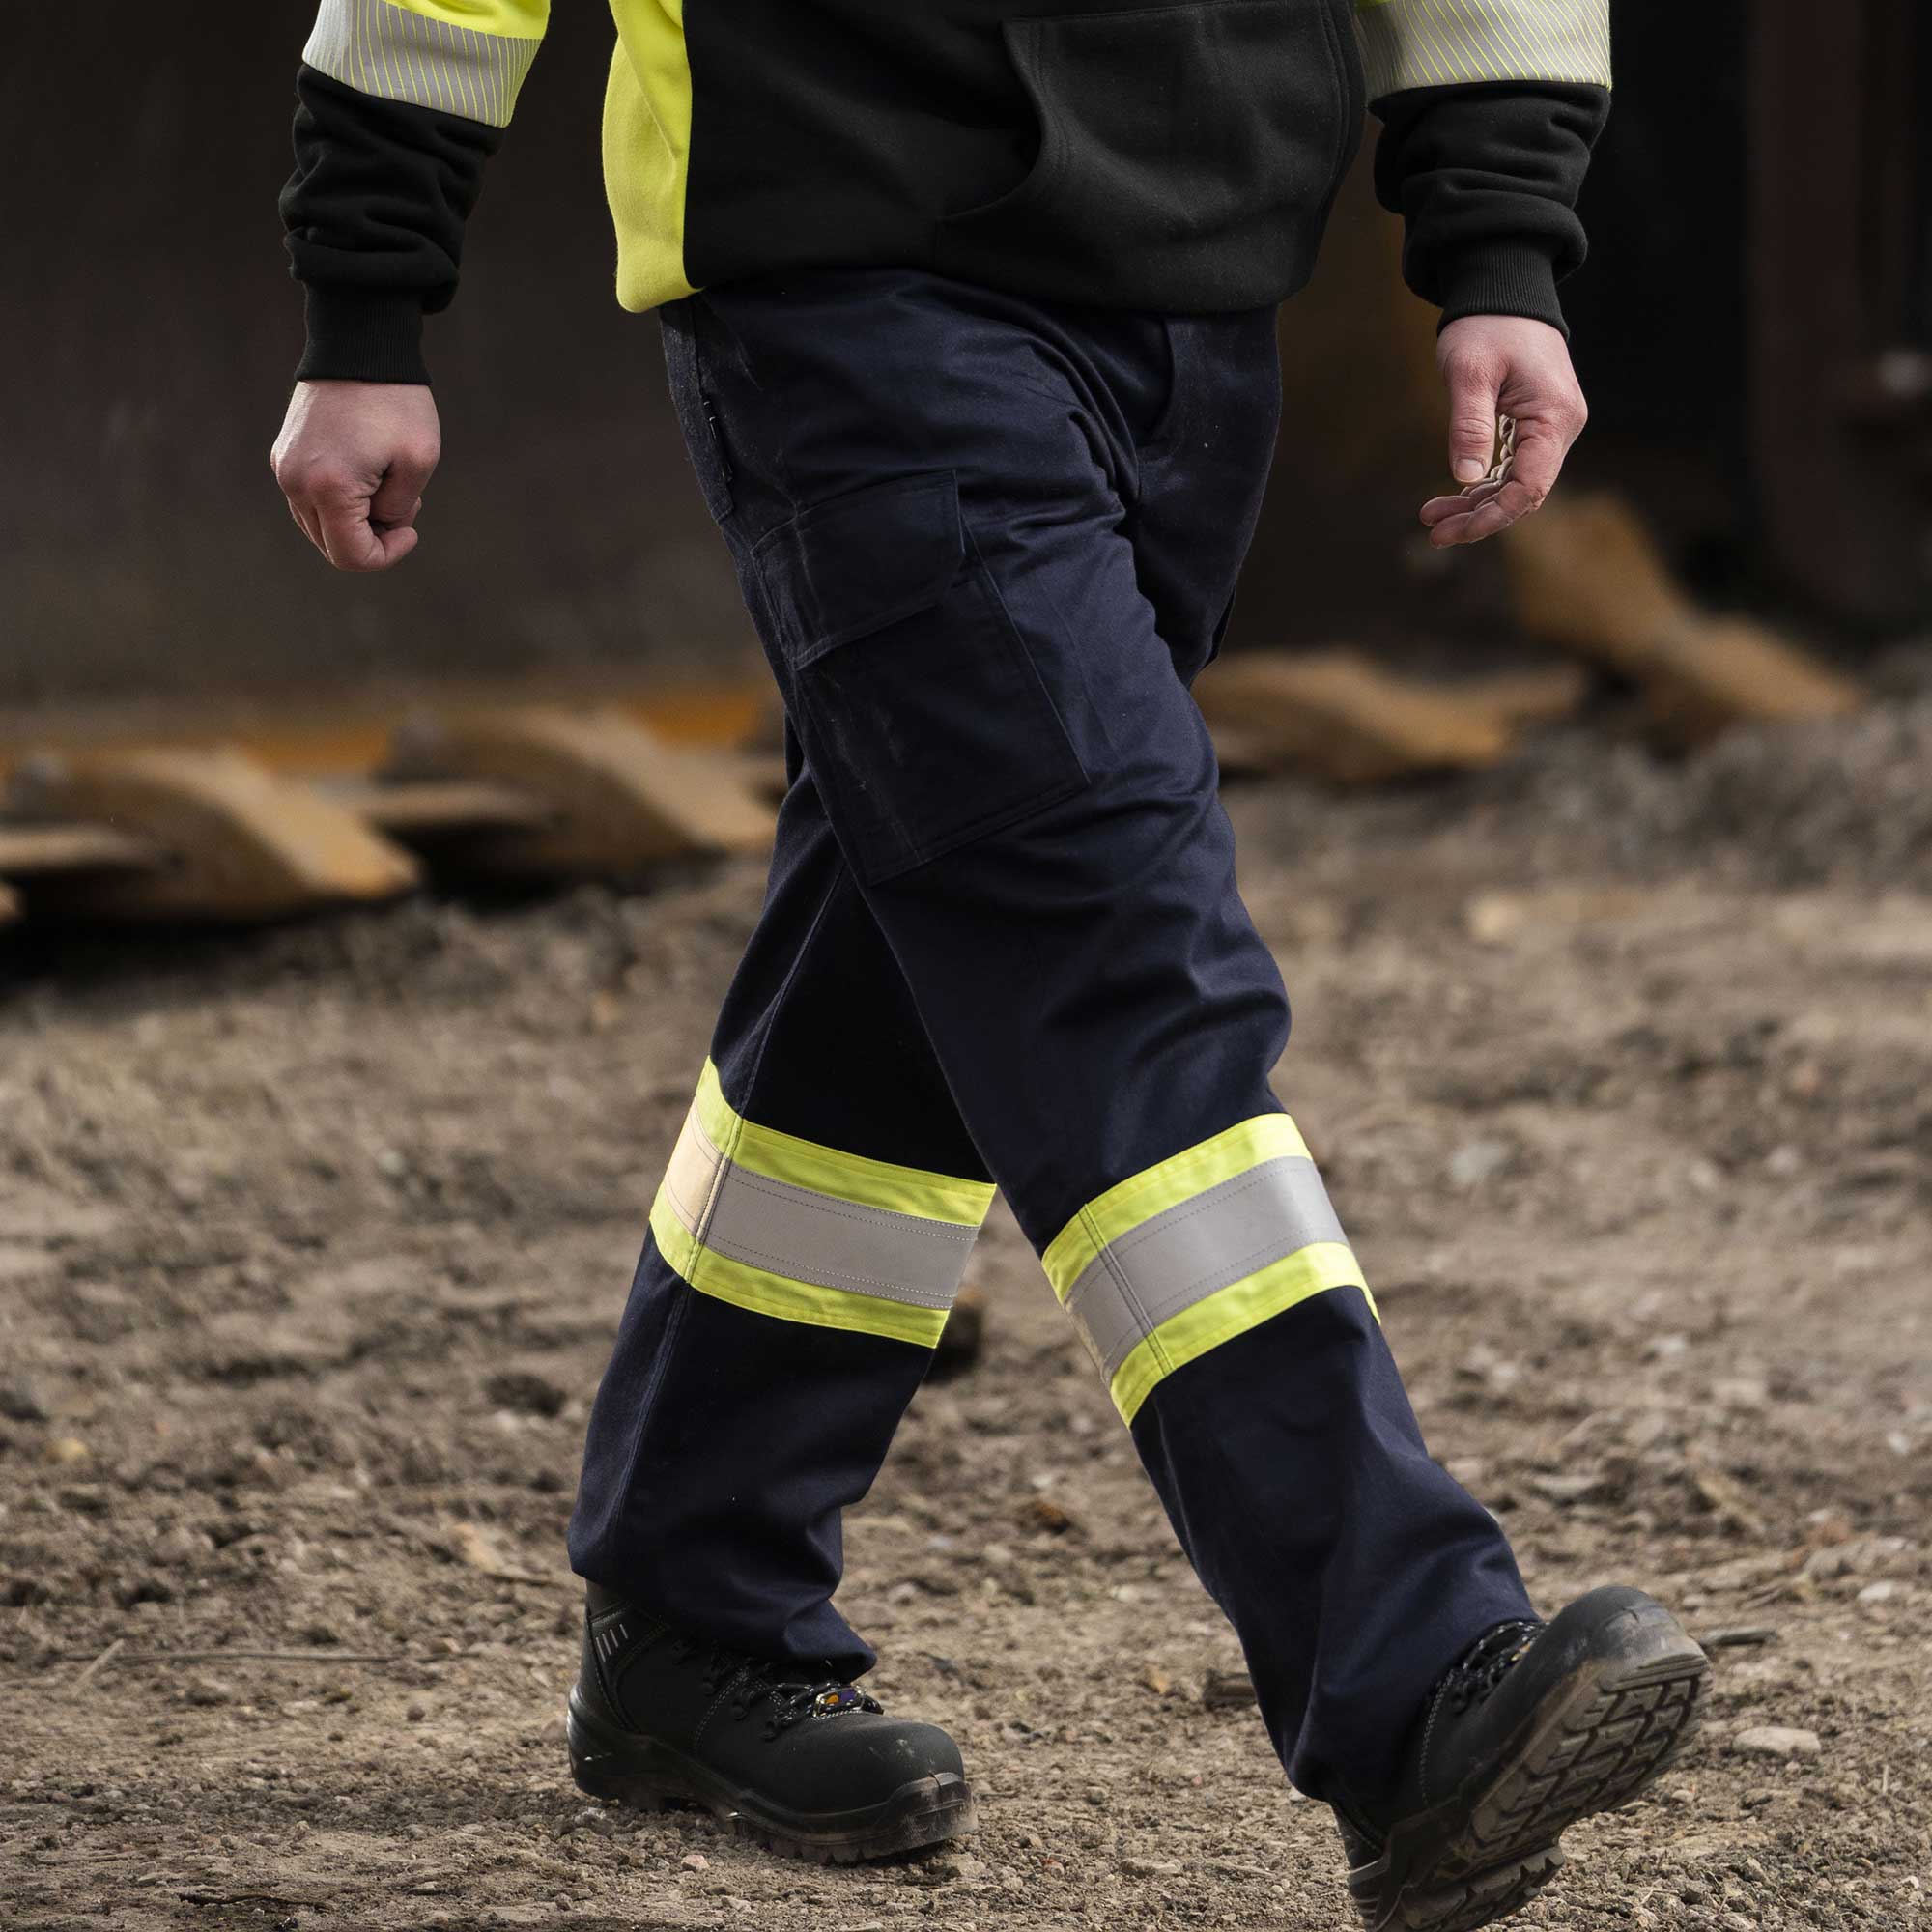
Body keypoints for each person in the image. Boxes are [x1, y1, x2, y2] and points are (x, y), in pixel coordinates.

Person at [270, 5, 1710, 1925]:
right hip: (842, 278)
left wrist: (1500, 231)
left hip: (1195, 291)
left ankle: (692, 1611)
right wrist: (370, 290)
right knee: (1109, 949)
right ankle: (1406, 1680)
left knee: (901, 976)